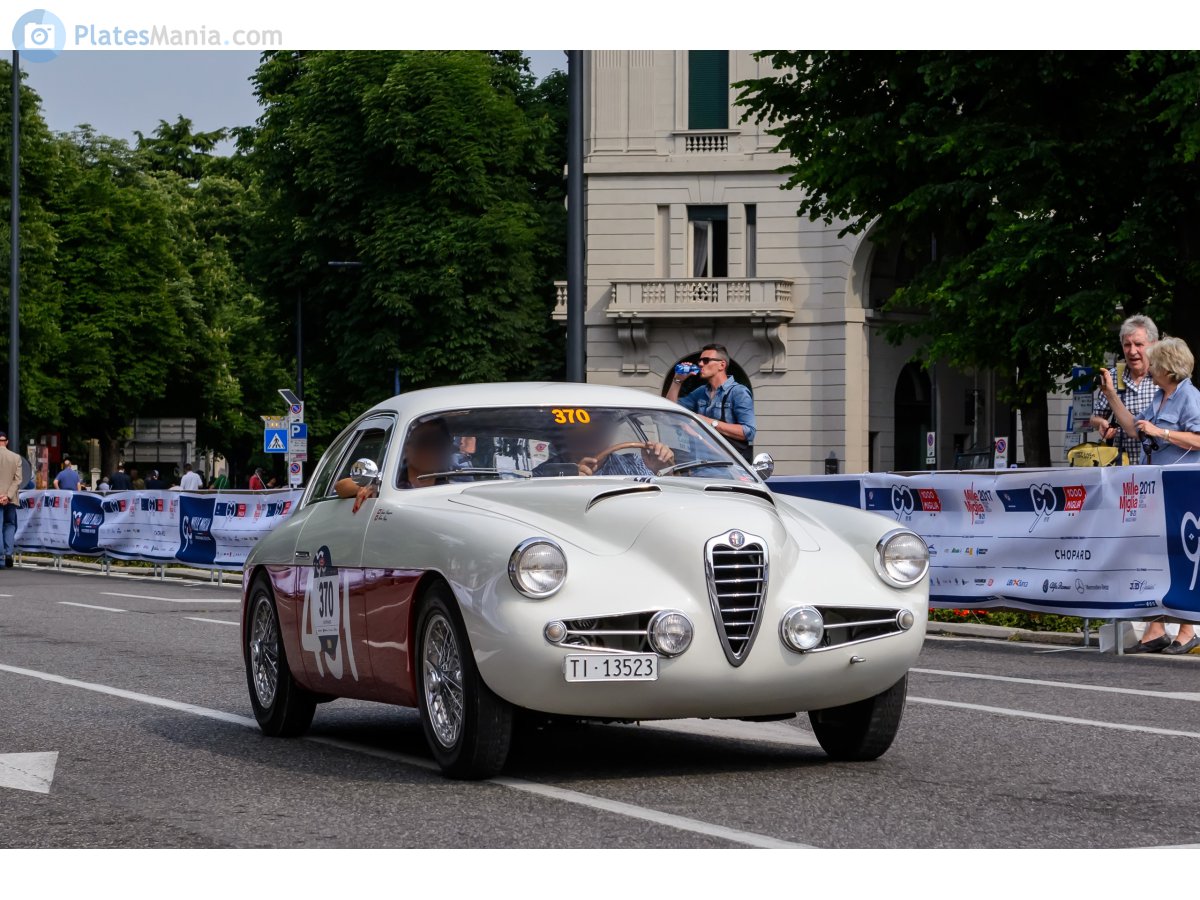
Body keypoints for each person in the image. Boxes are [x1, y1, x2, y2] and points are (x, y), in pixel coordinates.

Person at [1100, 335, 1200, 655]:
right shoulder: (1159, 397)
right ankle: (1156, 628)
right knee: (1157, 556)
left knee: (1184, 557)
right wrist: (1111, 395)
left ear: (1169, 367)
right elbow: (1133, 428)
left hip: (1184, 489)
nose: (1150, 366)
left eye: (1156, 362)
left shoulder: (1189, 396)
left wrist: (1163, 432)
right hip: (1158, 489)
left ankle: (1188, 630)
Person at [337, 418, 456, 512]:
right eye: (422, 442)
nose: (432, 449)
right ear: (405, 448)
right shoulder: (388, 483)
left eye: (440, 442)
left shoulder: (454, 492)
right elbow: (340, 488)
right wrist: (372, 484)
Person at [664, 343, 757, 462]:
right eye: (700, 361)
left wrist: (706, 422)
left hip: (729, 466)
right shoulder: (700, 392)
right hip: (701, 462)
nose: (700, 364)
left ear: (721, 365)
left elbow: (749, 432)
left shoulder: (738, 392)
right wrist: (677, 381)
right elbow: (670, 410)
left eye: (706, 360)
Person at [1089, 314, 1159, 465]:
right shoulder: (1113, 377)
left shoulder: (1163, 377)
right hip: (1123, 471)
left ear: (1153, 344)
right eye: (1127, 345)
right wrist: (1101, 423)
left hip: (1157, 468)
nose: (1132, 351)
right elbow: (1094, 418)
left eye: (1138, 344)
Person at [534, 413, 675, 477]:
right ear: (563, 434)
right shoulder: (545, 473)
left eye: (602, 427)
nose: (595, 435)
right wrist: (569, 486)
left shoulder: (635, 463)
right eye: (584, 429)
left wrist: (662, 469)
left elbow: (666, 498)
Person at [0, 431, 24, 569]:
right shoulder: (16, 458)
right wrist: (7, 495)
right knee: (9, 524)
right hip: (11, 499)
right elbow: (18, 480)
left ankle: (1, 557)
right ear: (7, 442)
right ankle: (9, 553)